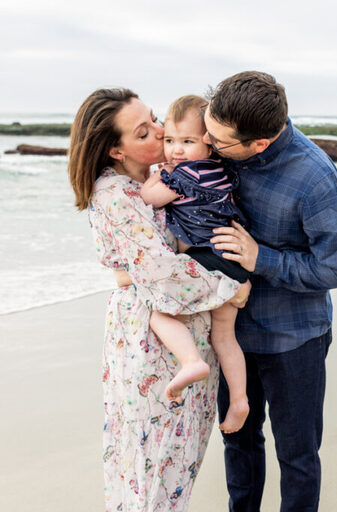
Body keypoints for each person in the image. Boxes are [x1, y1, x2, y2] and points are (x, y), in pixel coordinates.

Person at [68, 88, 245, 511]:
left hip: (182, 335)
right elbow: (161, 277)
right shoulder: (117, 194)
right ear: (115, 149)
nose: (164, 132)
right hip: (154, 345)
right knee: (151, 470)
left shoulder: (153, 179)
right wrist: (232, 286)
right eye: (145, 131)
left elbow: (157, 260)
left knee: (173, 471)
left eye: (155, 119)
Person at [200, 71, 337, 511]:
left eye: (219, 142)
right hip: (231, 336)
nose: (208, 145)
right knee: (238, 444)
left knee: (298, 458)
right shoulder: (221, 149)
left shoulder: (316, 180)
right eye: (207, 130)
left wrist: (262, 259)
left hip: (294, 341)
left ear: (260, 144)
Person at [140, 94, 250, 434]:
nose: (176, 150)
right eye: (170, 141)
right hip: (233, 260)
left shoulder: (184, 176)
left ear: (208, 142)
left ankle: (190, 362)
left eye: (187, 141)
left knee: (159, 310)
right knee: (224, 336)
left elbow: (149, 197)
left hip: (208, 258)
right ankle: (240, 400)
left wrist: (155, 175)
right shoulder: (223, 171)